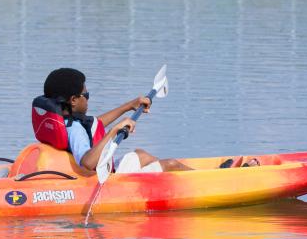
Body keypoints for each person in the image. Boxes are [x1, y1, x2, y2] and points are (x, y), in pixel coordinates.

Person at [33, 68, 192, 175]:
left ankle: (202, 174)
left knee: (140, 154)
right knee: (171, 165)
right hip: (104, 181)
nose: (88, 100)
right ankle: (212, 180)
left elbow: (95, 125)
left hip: (103, 171)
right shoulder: (75, 129)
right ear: (73, 100)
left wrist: (129, 106)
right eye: (86, 96)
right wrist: (114, 130)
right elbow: (88, 162)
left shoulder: (65, 121)